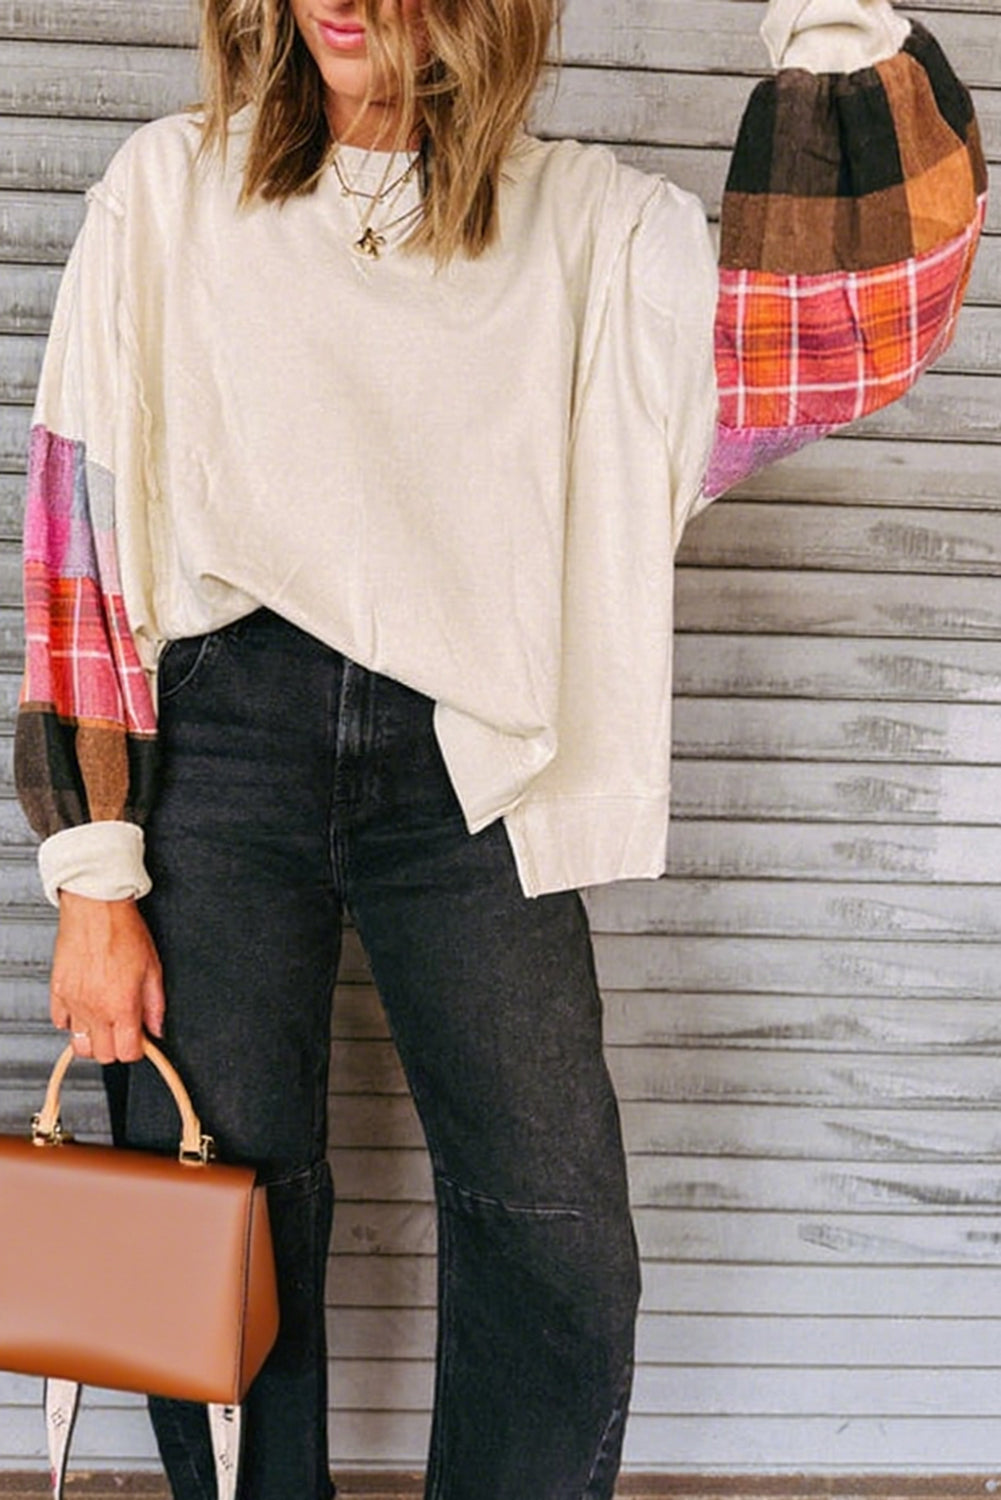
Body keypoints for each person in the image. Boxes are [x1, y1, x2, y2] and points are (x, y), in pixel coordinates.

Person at [15, 0, 985, 1495]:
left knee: (555, 1232)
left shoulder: (588, 226)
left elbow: (847, 332)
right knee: (214, 1219)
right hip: (218, 746)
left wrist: (833, 27)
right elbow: (76, 533)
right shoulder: (168, 186)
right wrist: (90, 876)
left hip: (472, 763)